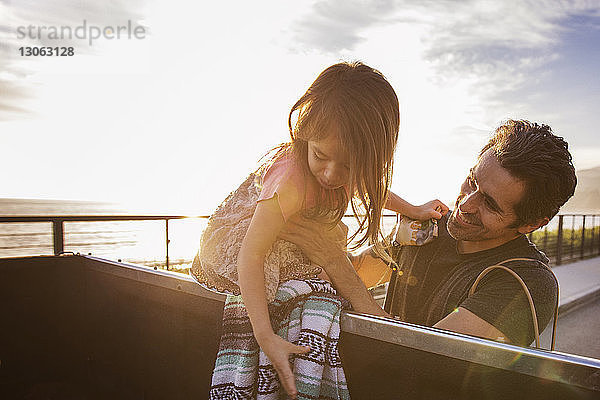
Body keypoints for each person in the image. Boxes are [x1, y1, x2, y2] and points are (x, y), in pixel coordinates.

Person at [191, 61, 448, 399]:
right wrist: (265, 336)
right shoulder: (290, 183)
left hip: (292, 233)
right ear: (306, 135)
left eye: (348, 165)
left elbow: (367, 188)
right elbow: (249, 256)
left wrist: (413, 210)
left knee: (327, 272)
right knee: (308, 287)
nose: (330, 174)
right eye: (321, 156)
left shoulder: (345, 168)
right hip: (251, 242)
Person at [280, 119, 577, 347]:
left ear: (531, 224)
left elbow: (421, 357)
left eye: (489, 203)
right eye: (471, 181)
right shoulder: (428, 228)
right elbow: (356, 276)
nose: (466, 203)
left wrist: (334, 262)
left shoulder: (527, 283)